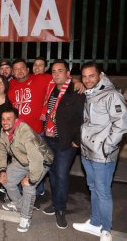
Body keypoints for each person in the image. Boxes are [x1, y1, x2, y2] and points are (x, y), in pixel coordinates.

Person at [73, 62, 127, 241]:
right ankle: (95, 223)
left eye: (91, 75)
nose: (88, 79)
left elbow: (122, 125)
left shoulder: (112, 95)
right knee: (93, 188)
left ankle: (106, 229)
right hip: (87, 152)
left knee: (103, 191)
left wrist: (107, 147)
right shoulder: (91, 93)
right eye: (85, 76)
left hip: (102, 154)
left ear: (100, 75)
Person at [39, 60, 85, 229]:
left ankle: (61, 209)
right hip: (49, 138)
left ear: (68, 74)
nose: (57, 74)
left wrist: (77, 141)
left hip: (65, 141)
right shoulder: (51, 88)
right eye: (54, 71)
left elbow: (83, 118)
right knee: (52, 173)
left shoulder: (76, 91)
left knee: (62, 174)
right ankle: (55, 203)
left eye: (60, 71)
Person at [0, 108, 53, 233]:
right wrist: (2, 170)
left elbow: (36, 158)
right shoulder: (4, 131)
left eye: (8, 119)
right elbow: (1, 149)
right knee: (6, 179)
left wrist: (31, 179)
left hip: (42, 161)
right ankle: (19, 204)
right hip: (23, 160)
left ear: (16, 120)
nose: (5, 122)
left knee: (28, 186)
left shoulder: (25, 132)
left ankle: (25, 216)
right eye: (3, 119)